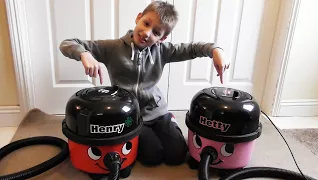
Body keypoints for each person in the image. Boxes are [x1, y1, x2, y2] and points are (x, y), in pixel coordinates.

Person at [59, 1, 229, 167]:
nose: (147, 33)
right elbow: (67, 43)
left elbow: (194, 48)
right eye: (146, 23)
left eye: (156, 32)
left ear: (163, 38)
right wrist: (85, 54)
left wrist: (216, 50)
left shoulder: (163, 51)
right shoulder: (113, 48)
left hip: (157, 110)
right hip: (130, 115)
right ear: (138, 17)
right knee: (151, 157)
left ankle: (170, 121)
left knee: (177, 156)